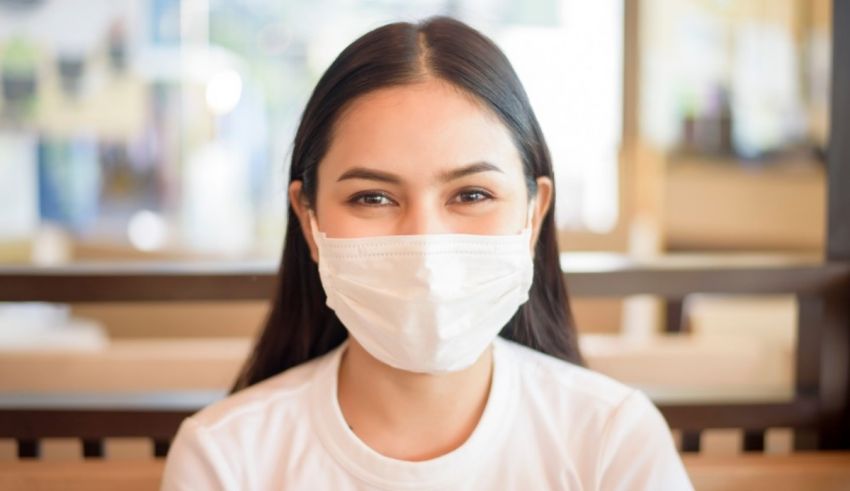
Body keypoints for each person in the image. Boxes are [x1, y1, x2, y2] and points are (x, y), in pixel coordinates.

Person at [161, 16, 693, 490]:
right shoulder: (225, 458)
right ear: (309, 218)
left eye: (472, 195)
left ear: (533, 214)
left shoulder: (611, 440)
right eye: (372, 198)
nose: (426, 247)